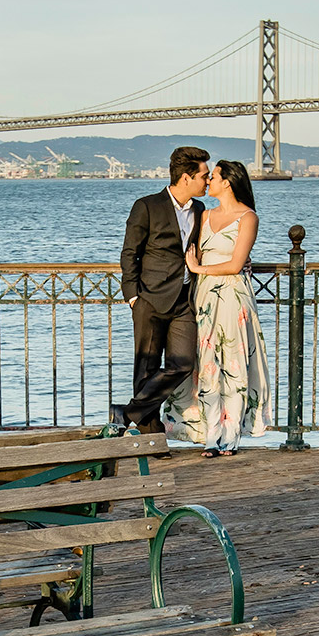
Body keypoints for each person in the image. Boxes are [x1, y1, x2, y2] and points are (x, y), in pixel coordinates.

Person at [164, 159, 273, 455]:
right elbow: (191, 254)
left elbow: (236, 264)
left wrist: (199, 269)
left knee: (234, 366)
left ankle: (231, 437)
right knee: (208, 367)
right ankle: (212, 437)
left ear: (227, 182)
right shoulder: (205, 215)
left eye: (213, 177)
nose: (208, 181)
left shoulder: (248, 217)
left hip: (233, 297)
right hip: (205, 299)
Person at [114, 146, 209, 432]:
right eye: (203, 176)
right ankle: (151, 438)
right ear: (185, 178)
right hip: (150, 299)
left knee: (183, 363)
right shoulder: (147, 206)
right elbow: (130, 252)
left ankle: (126, 412)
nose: (208, 181)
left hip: (184, 300)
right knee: (147, 368)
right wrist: (132, 295)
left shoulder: (200, 209)